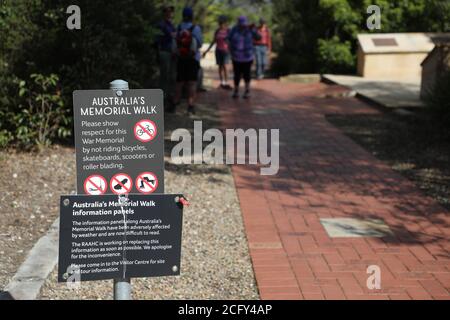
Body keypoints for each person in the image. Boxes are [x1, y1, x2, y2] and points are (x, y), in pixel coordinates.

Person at [173, 7, 203, 115]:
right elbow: (199, 43)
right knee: (192, 82)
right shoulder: (196, 28)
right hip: (193, 58)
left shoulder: (179, 27)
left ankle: (175, 103)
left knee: (179, 81)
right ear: (192, 16)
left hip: (181, 58)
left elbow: (175, 42)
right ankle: (190, 106)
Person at [228, 16, 261, 99]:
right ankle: (236, 91)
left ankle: (247, 90)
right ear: (238, 23)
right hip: (236, 56)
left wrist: (255, 29)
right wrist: (231, 49)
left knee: (247, 74)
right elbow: (228, 39)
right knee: (237, 74)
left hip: (248, 56)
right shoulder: (234, 29)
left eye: (244, 24)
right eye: (241, 24)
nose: (243, 26)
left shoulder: (250, 29)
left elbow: (258, 38)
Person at [156, 6, 176, 110]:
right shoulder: (161, 25)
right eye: (168, 12)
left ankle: (170, 99)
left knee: (172, 77)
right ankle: (162, 100)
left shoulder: (171, 25)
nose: (170, 14)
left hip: (172, 54)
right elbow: (158, 40)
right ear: (164, 13)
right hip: (165, 52)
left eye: (171, 12)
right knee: (164, 77)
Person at [203, 15, 231, 90]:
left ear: (225, 23)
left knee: (225, 66)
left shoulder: (228, 31)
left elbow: (232, 41)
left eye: (222, 23)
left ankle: (226, 82)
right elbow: (213, 41)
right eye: (220, 23)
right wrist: (206, 51)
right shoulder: (217, 31)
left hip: (226, 51)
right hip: (218, 50)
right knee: (220, 67)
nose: (221, 24)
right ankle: (222, 82)